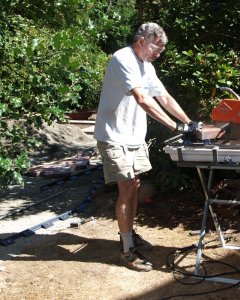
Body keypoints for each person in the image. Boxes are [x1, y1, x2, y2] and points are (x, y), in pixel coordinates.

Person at [94, 22, 201, 272]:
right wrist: (175, 127)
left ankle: (128, 234)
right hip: (114, 135)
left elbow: (164, 97)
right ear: (142, 41)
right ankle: (127, 250)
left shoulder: (147, 66)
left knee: (136, 186)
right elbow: (143, 99)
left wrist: (190, 123)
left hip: (133, 136)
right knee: (127, 188)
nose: (159, 53)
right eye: (157, 48)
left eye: (162, 50)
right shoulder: (123, 58)